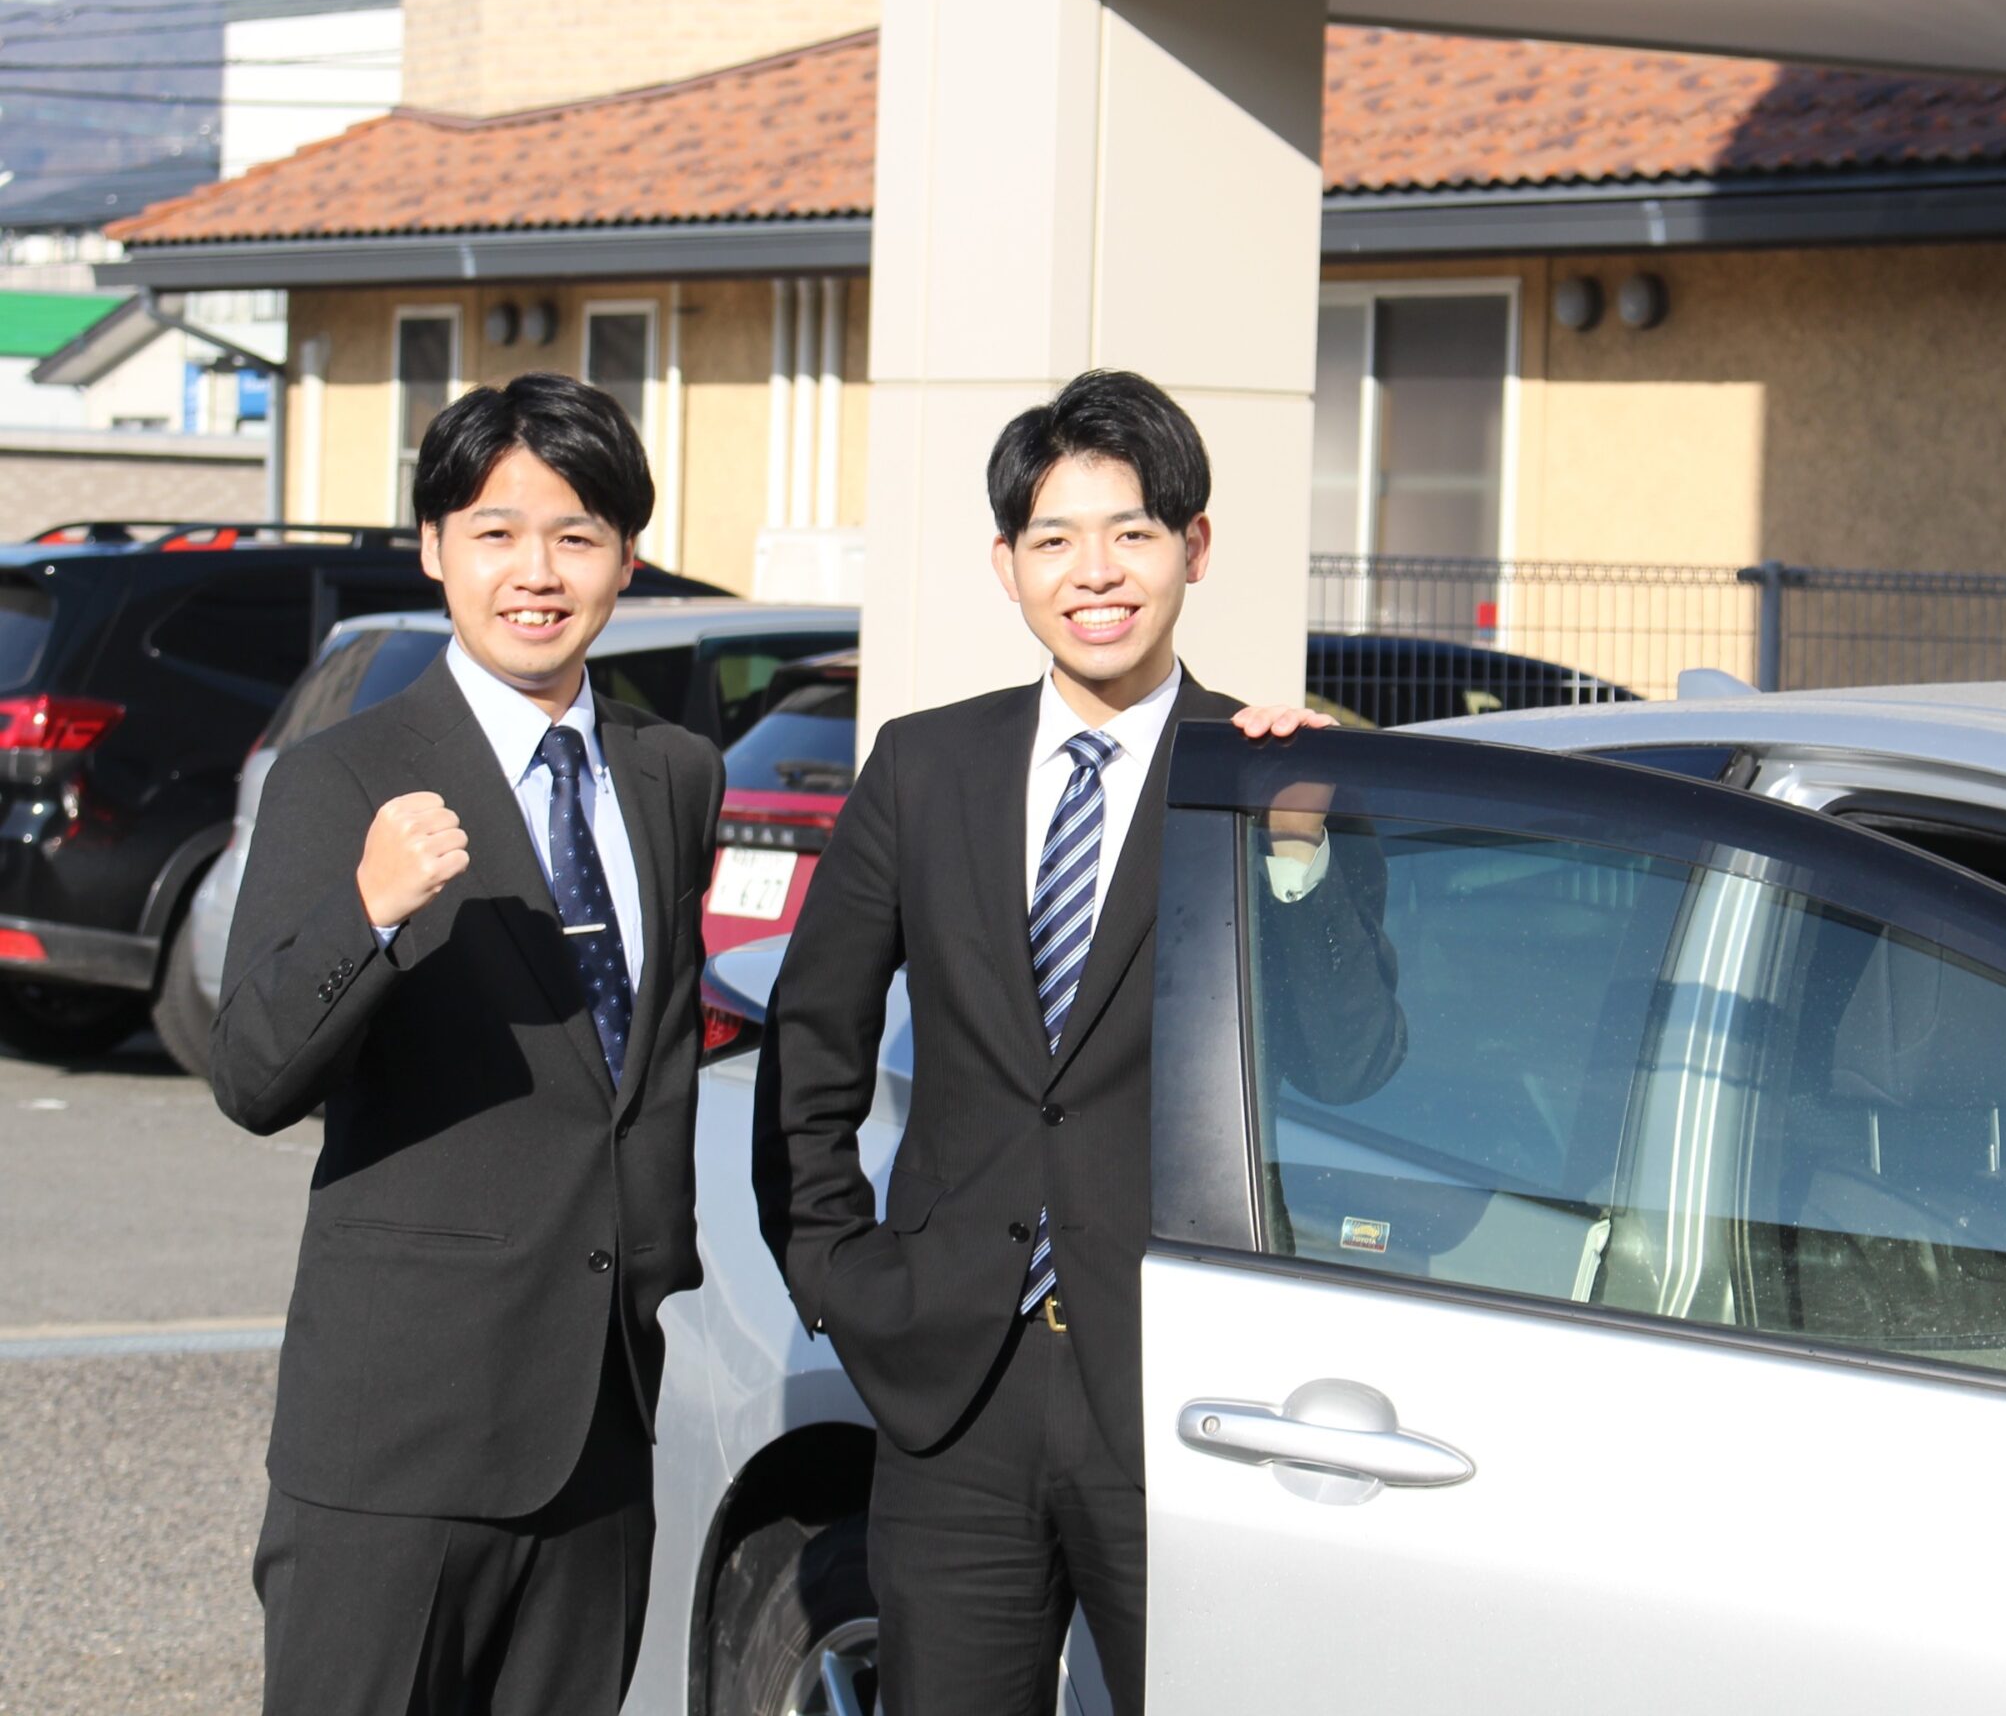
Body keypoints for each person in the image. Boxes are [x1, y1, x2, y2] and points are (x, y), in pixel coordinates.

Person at [754, 369, 1403, 1715]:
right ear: (1007, 566)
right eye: (1054, 538)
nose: (1094, 573)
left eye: (1132, 533)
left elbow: (1351, 1064)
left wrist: (1296, 857)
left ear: (1194, 549)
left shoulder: (1263, 775)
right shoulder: (923, 768)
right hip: (954, 1386)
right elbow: (811, 1037)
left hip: (1182, 1383)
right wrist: (836, 1269)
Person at [209, 372, 725, 1716]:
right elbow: (252, 1073)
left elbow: (643, 1063)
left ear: (626, 557)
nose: (536, 573)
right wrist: (370, 911)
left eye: (575, 535)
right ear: (436, 547)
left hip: (601, 1419)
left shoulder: (673, 772)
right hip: (401, 1433)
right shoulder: (343, 774)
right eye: (496, 533)